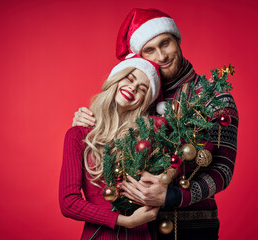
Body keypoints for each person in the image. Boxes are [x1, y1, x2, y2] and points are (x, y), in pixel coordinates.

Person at [73, 8, 239, 240]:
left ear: (177, 40)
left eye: (165, 43)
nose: (161, 56)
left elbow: (223, 169)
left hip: (194, 229)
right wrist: (88, 125)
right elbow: (107, 152)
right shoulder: (137, 100)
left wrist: (172, 196)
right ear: (140, 57)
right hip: (139, 231)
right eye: (150, 50)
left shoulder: (215, 97)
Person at [59, 55, 163, 240]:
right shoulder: (78, 135)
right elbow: (68, 203)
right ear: (115, 78)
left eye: (142, 89)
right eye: (129, 79)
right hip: (100, 235)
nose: (132, 88)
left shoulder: (147, 137)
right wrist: (125, 221)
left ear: (145, 101)